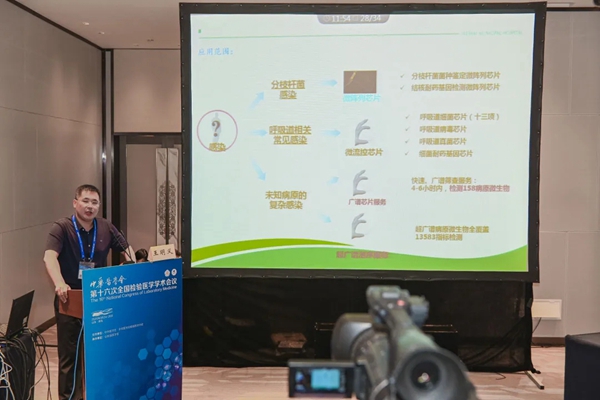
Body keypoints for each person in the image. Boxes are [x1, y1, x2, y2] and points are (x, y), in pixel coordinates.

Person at [43, 184, 134, 400]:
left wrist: (131, 266)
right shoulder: (62, 227)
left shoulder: (105, 227)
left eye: (94, 202)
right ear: (75, 203)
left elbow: (127, 249)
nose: (90, 206)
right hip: (70, 298)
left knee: (99, 355)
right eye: (85, 201)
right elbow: (49, 257)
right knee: (70, 359)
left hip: (99, 300)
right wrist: (59, 283)